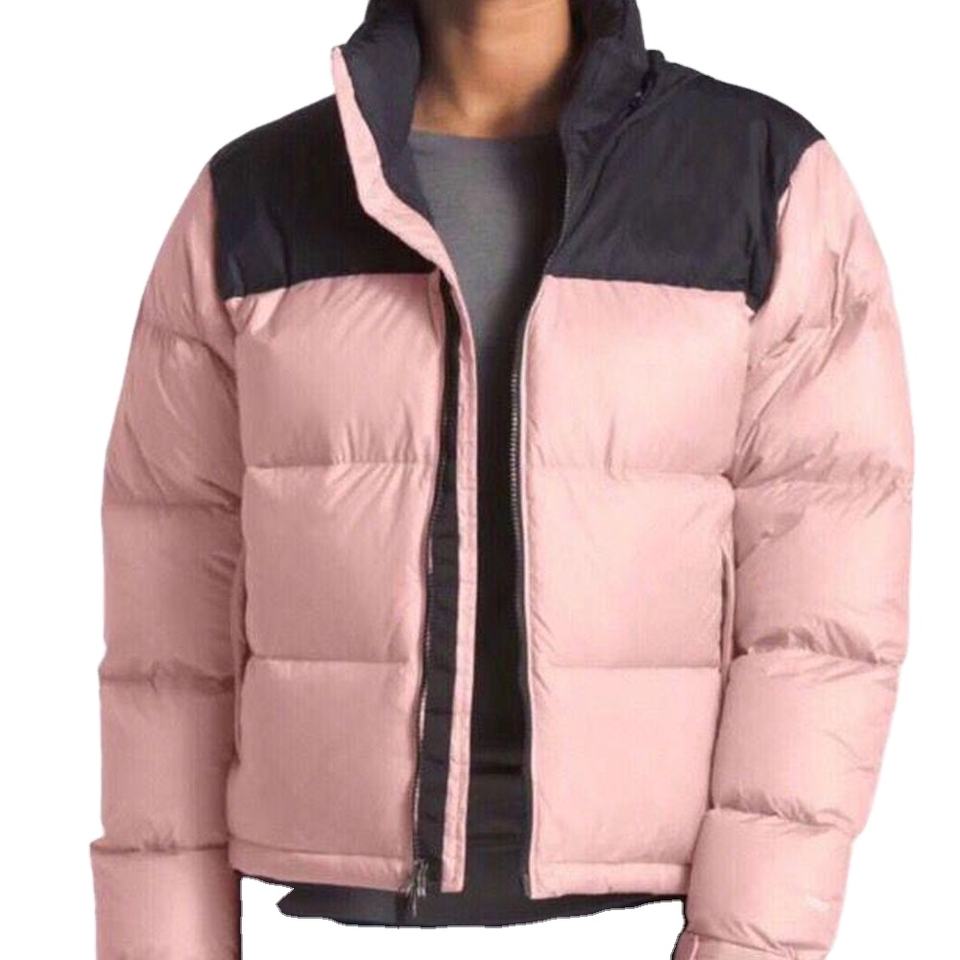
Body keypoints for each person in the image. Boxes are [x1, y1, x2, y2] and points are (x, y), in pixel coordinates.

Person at [91, 1, 914, 957]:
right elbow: (167, 643)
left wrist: (751, 942)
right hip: (310, 914)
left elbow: (820, 623)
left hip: (663, 915)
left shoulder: (759, 179)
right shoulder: (255, 197)